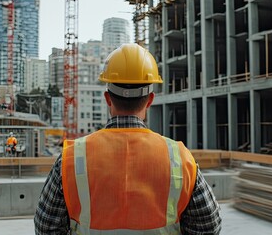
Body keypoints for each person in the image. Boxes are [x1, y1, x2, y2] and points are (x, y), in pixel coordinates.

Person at [34, 43, 221, 234]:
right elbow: (209, 226)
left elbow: (46, 227)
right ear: (150, 100)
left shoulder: (71, 158)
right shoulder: (180, 157)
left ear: (108, 99)